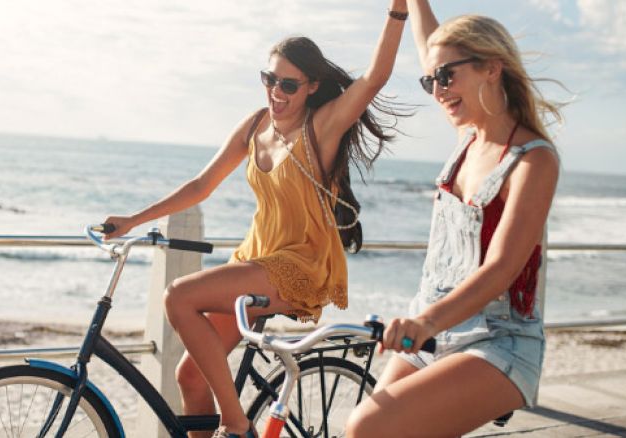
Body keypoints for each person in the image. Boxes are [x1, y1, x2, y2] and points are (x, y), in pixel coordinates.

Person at [103, 2, 410, 437]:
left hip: (298, 264)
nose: (276, 91)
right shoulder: (254, 126)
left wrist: (397, 10)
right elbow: (200, 186)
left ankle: (237, 424)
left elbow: (375, 76)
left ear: (311, 87)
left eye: (288, 83)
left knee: (178, 296)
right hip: (255, 261)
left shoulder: (321, 127)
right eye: (269, 78)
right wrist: (134, 219)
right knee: (190, 377)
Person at [346, 1, 563, 436]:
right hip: (434, 328)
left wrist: (426, 322)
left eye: (447, 76)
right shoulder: (469, 140)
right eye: (431, 80)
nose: (438, 89)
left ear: (491, 68)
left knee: (367, 428)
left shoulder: (532, 161)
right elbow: (432, 45)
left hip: (498, 342)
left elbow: (502, 268)